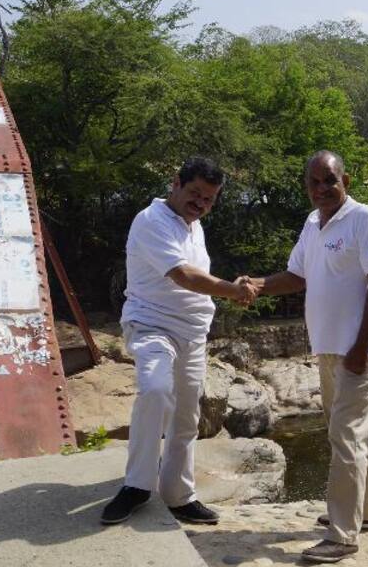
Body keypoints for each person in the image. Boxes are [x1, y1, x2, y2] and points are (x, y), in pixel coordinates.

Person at [245, 150, 368, 563]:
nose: (321, 189)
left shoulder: (365, 219)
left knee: (344, 435)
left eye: (328, 180)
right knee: (353, 432)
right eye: (313, 182)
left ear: (344, 179)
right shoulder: (312, 224)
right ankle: (366, 512)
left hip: (362, 351)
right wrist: (257, 284)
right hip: (329, 349)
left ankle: (342, 536)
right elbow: (297, 277)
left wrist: (360, 348)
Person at [101, 157, 259, 526]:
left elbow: (194, 277)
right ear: (175, 183)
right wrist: (232, 290)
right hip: (152, 323)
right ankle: (136, 486)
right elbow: (183, 275)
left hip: (192, 331)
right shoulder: (151, 221)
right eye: (195, 193)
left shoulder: (194, 227)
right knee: (155, 390)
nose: (200, 203)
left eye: (209, 198)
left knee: (187, 414)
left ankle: (178, 494)